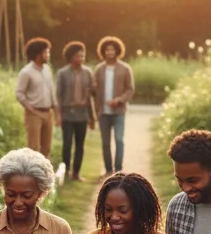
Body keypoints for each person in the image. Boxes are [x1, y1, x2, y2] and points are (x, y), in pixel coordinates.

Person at [93, 36, 135, 175]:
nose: (109, 52)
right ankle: (108, 169)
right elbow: (94, 90)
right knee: (105, 142)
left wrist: (119, 99)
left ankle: (118, 169)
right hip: (103, 112)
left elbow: (130, 89)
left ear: (117, 51)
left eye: (112, 49)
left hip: (118, 112)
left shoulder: (125, 68)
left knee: (119, 140)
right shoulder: (99, 69)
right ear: (103, 52)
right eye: (107, 50)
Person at [55, 41, 96, 180]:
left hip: (82, 114)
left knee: (80, 145)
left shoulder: (88, 72)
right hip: (67, 113)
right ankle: (65, 171)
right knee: (67, 144)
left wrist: (92, 118)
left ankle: (76, 173)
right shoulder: (62, 73)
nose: (81, 58)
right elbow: (58, 96)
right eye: (78, 55)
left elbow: (92, 94)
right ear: (71, 57)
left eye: (82, 55)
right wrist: (58, 115)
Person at [16, 37, 57, 158]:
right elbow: (19, 93)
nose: (48, 55)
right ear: (38, 54)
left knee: (47, 147)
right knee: (33, 148)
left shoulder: (47, 70)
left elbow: (51, 91)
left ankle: (44, 175)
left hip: (47, 112)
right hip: (33, 113)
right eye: (46, 52)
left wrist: (56, 111)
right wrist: (31, 109)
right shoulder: (26, 72)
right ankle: (33, 174)